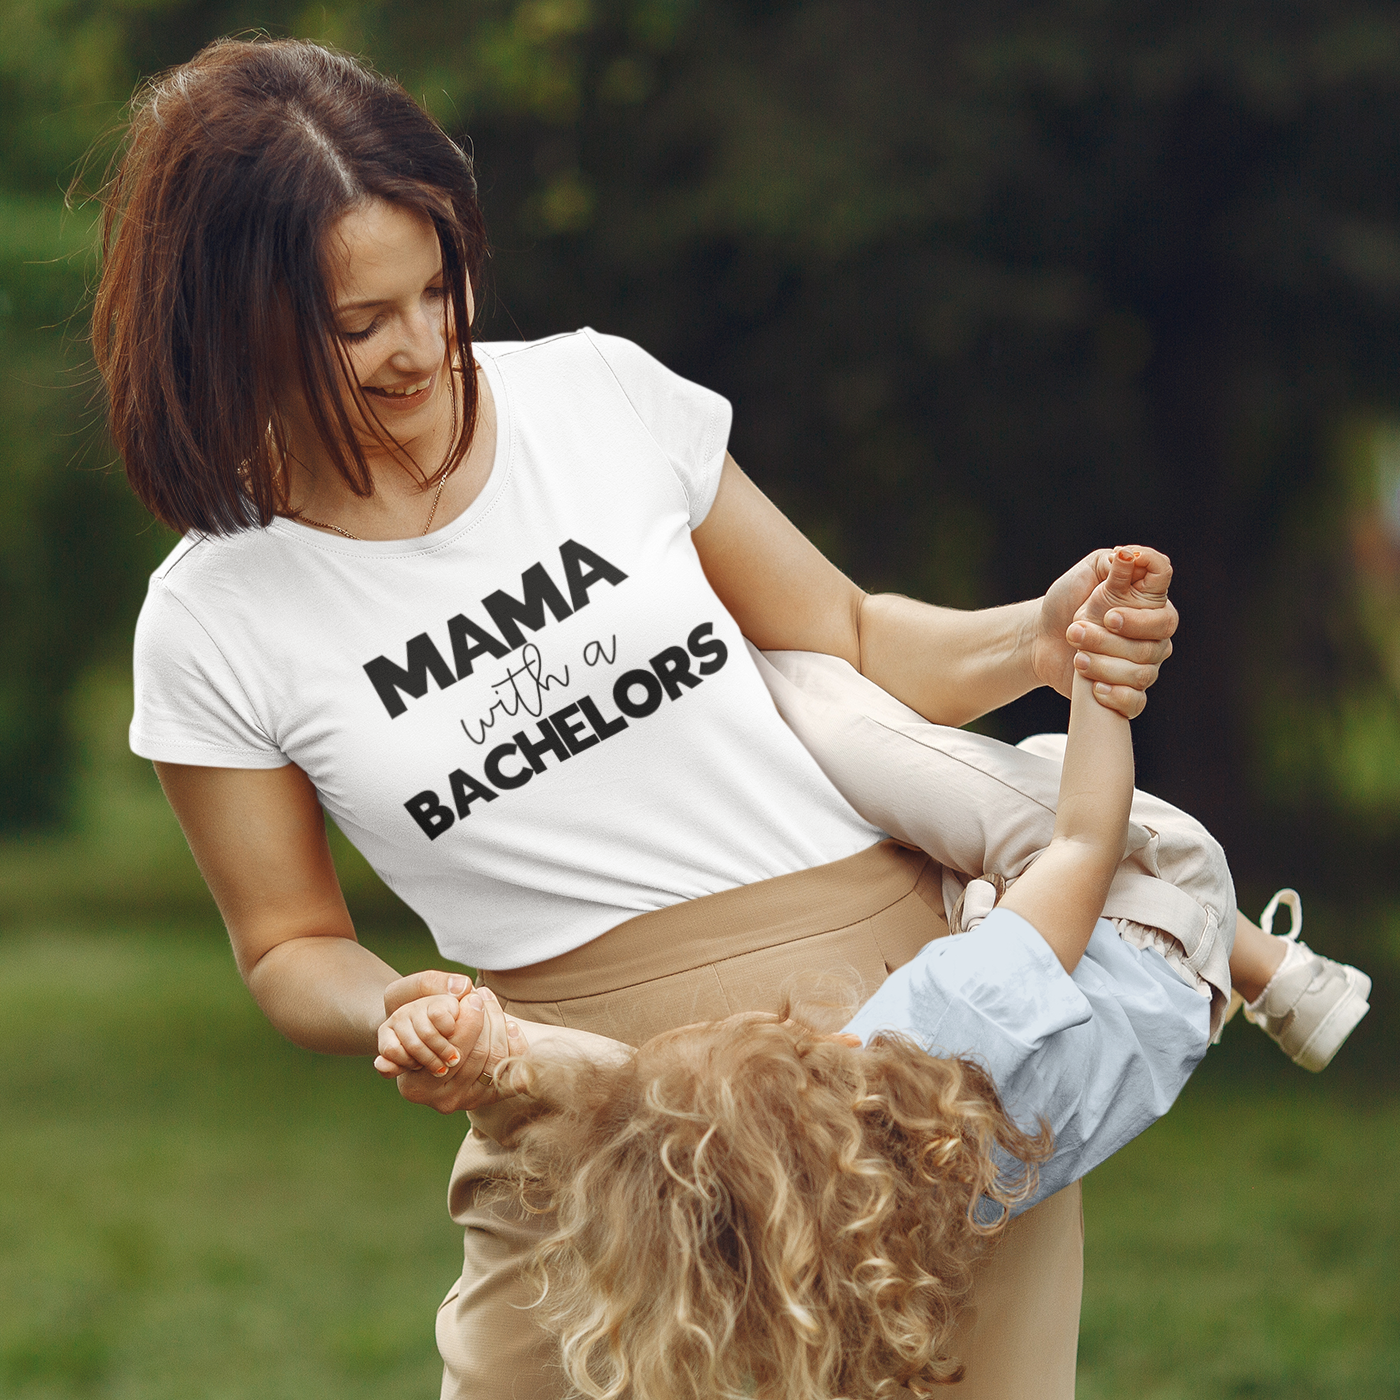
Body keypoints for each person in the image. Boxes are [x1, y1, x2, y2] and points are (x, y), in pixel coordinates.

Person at [92, 35, 1355, 1400]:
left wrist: (1036, 641)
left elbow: (853, 636)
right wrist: (410, 1008)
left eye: (439, 286)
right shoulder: (215, 616)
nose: (424, 347)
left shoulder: (595, 396)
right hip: (591, 1118)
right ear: (233, 321)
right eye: (359, 324)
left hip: (916, 1066)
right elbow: (287, 946)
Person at [419, 550, 1358, 1400]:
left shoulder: (843, 1242)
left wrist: (491, 1045)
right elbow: (1083, 836)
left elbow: (610, 1092)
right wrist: (1100, 681)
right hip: (1159, 919)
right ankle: (1265, 964)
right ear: (819, 1056)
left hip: (1100, 1030)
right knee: (826, 700)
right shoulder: (949, 1029)